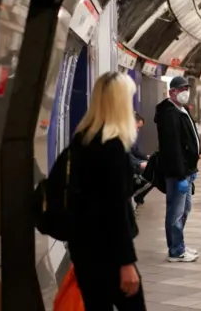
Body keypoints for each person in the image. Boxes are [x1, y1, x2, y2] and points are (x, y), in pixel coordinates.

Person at [68, 71, 145, 310]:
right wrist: (126, 262)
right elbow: (115, 209)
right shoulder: (112, 146)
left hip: (84, 248)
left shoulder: (82, 137)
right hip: (108, 251)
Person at [155, 75, 201, 262]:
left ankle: (179, 243)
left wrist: (193, 167)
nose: (185, 92)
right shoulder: (169, 114)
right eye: (181, 89)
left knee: (185, 209)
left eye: (186, 89)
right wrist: (180, 175)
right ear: (171, 92)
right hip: (178, 174)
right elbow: (173, 147)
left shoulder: (182, 110)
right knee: (175, 212)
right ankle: (175, 250)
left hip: (187, 171)